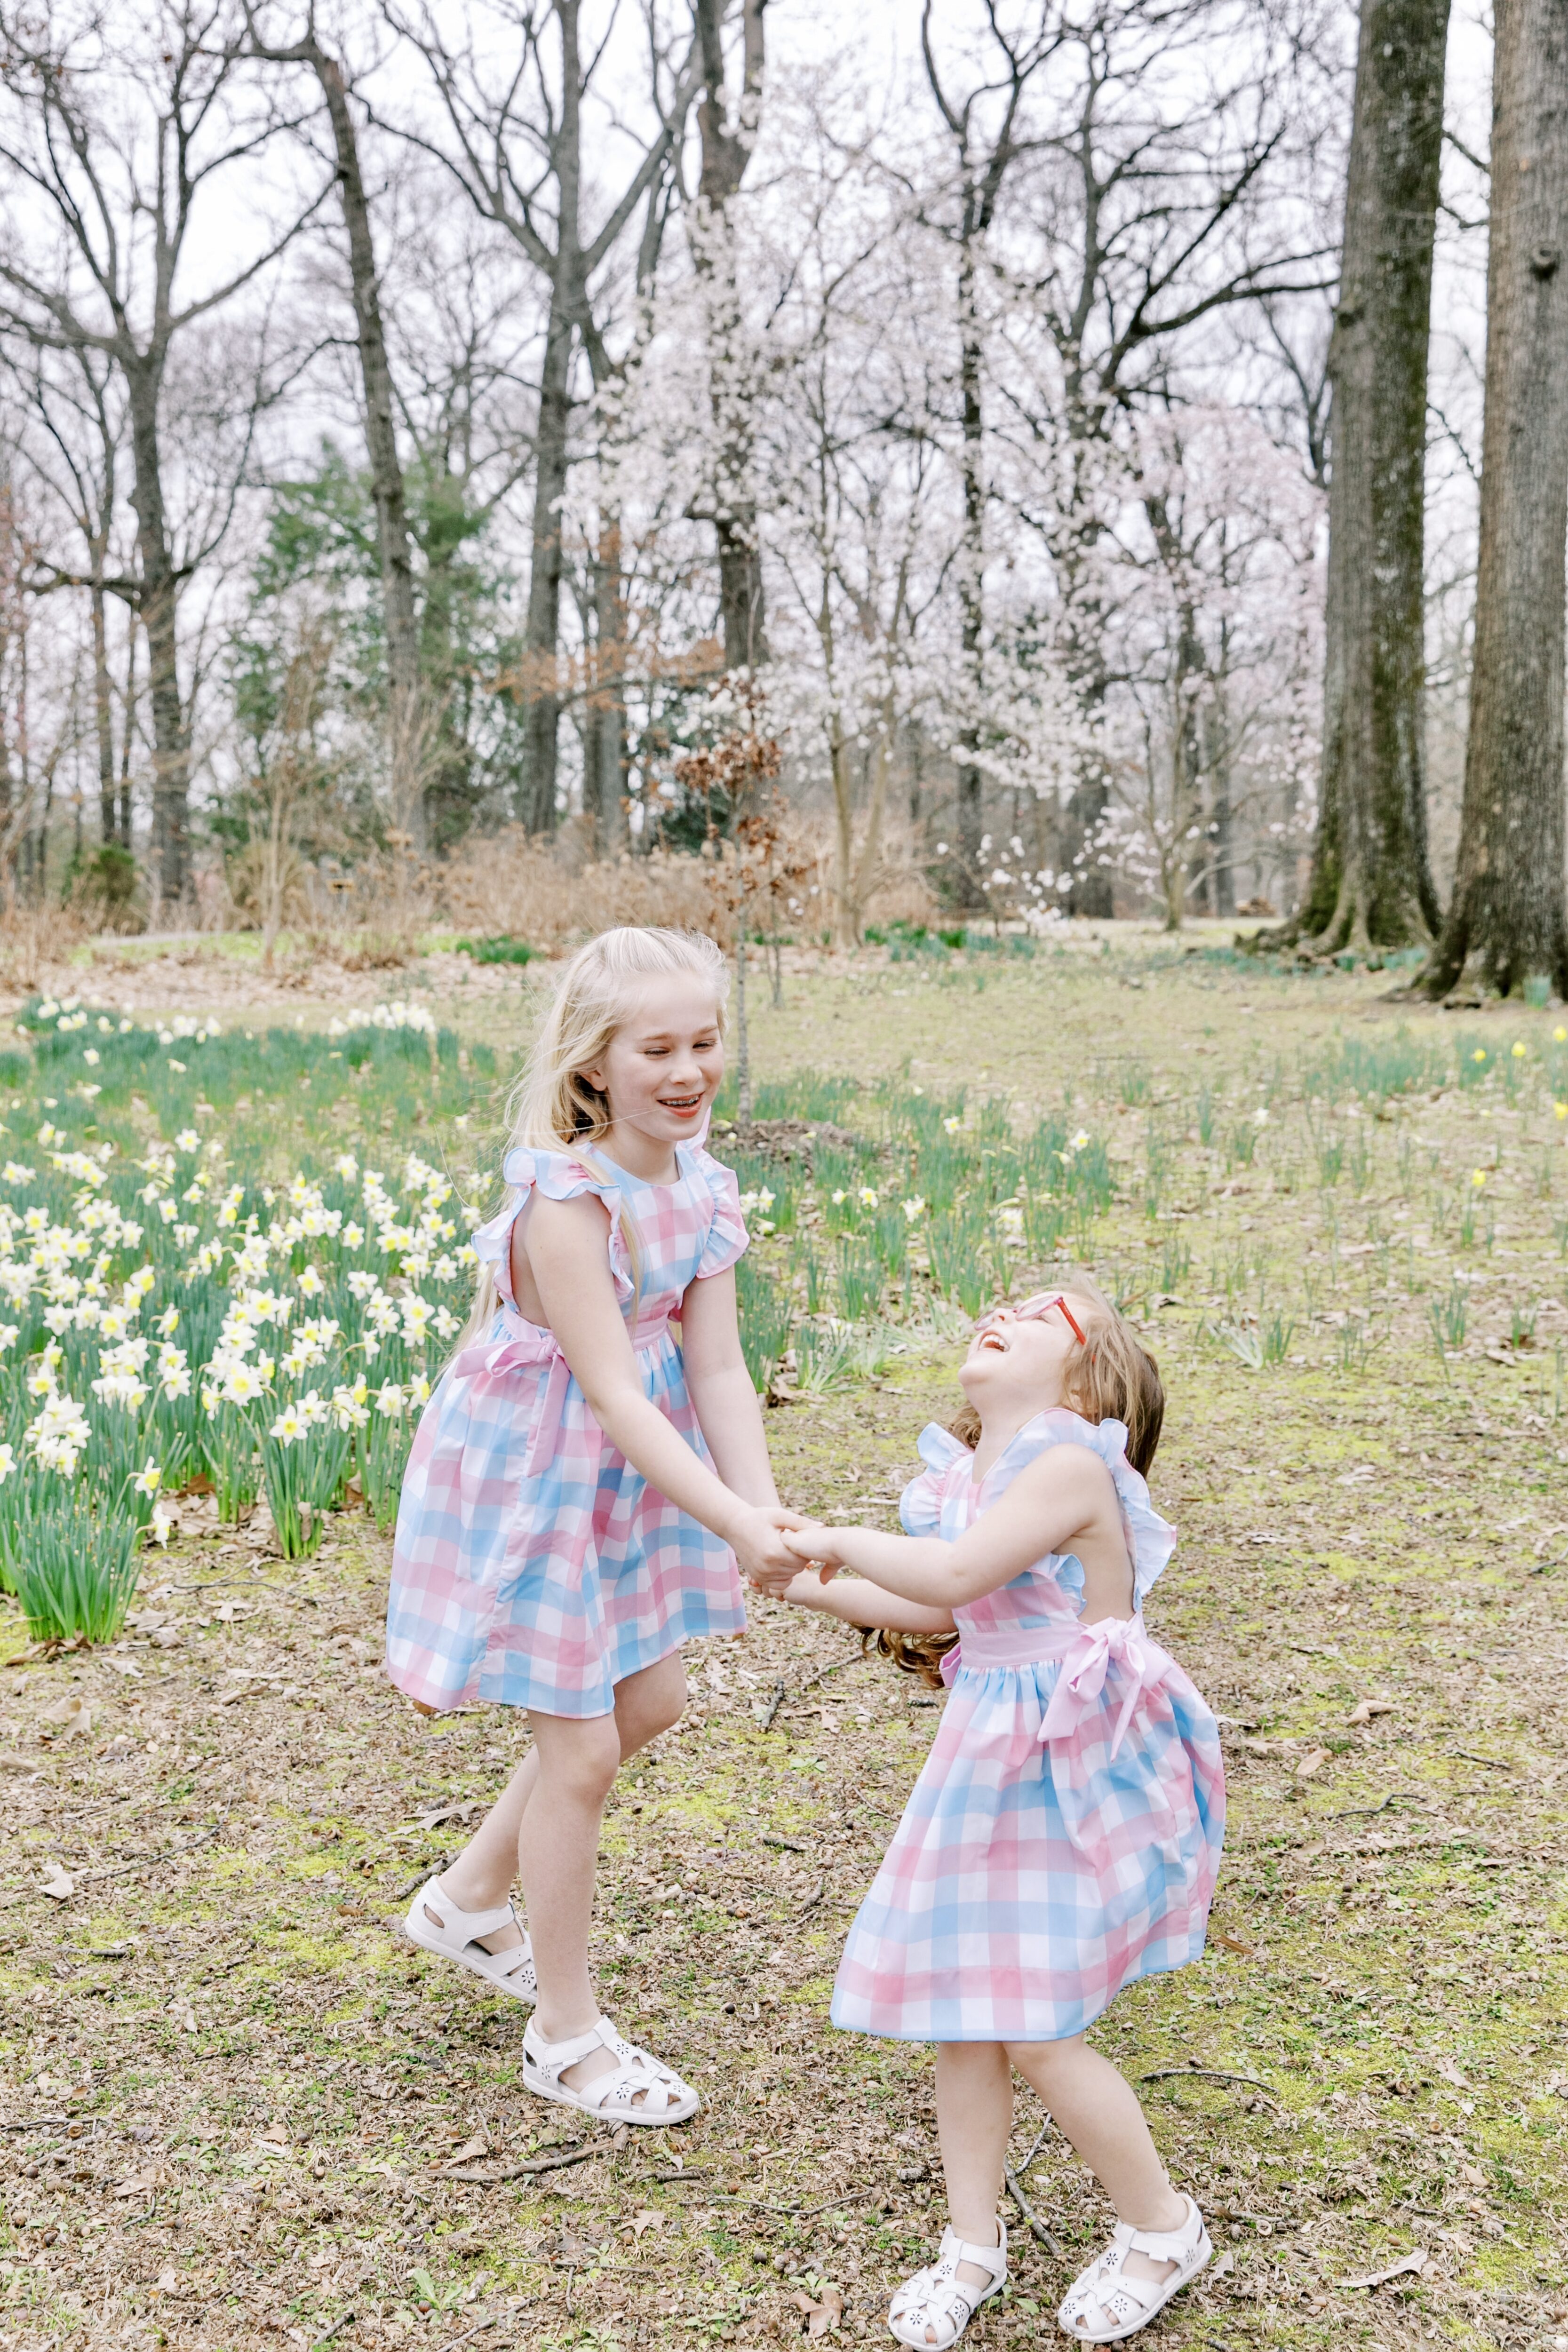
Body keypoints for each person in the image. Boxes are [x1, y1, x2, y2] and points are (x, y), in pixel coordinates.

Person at [385, 926, 802, 2127]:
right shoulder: (566, 1204)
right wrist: (725, 1513)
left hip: (635, 1476)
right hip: (543, 1482)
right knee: (581, 1752)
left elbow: (716, 1368)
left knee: (651, 1701)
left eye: (705, 1042)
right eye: (656, 1048)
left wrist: (755, 1509)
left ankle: (466, 1898)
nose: (687, 1070)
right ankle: (564, 2036)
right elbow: (613, 1394)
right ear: (591, 1068)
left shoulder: (704, 1187)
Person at [764, 1280, 1225, 2345]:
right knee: (964, 2012)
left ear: (1085, 1374)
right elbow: (937, 1605)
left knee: (1035, 2023)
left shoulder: (1067, 1461)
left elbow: (960, 1570)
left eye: (1042, 1313)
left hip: (1074, 1762)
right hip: (993, 1749)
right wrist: (798, 1579)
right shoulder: (966, 1476)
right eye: (1005, 1301)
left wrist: (830, 1533)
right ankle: (970, 2243)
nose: (1003, 1311)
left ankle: (1160, 2226)